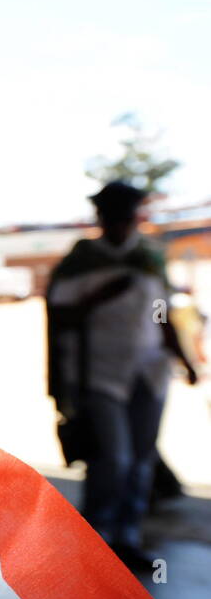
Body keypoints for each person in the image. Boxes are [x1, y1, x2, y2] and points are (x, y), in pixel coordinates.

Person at [46, 182, 198, 570]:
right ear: (101, 219)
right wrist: (100, 297)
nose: (120, 225)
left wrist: (184, 357)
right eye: (112, 217)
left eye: (126, 217)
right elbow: (60, 315)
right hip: (99, 371)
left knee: (142, 460)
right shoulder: (80, 261)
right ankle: (97, 537)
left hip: (149, 371)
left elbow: (162, 315)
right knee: (113, 457)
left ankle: (128, 536)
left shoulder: (149, 260)